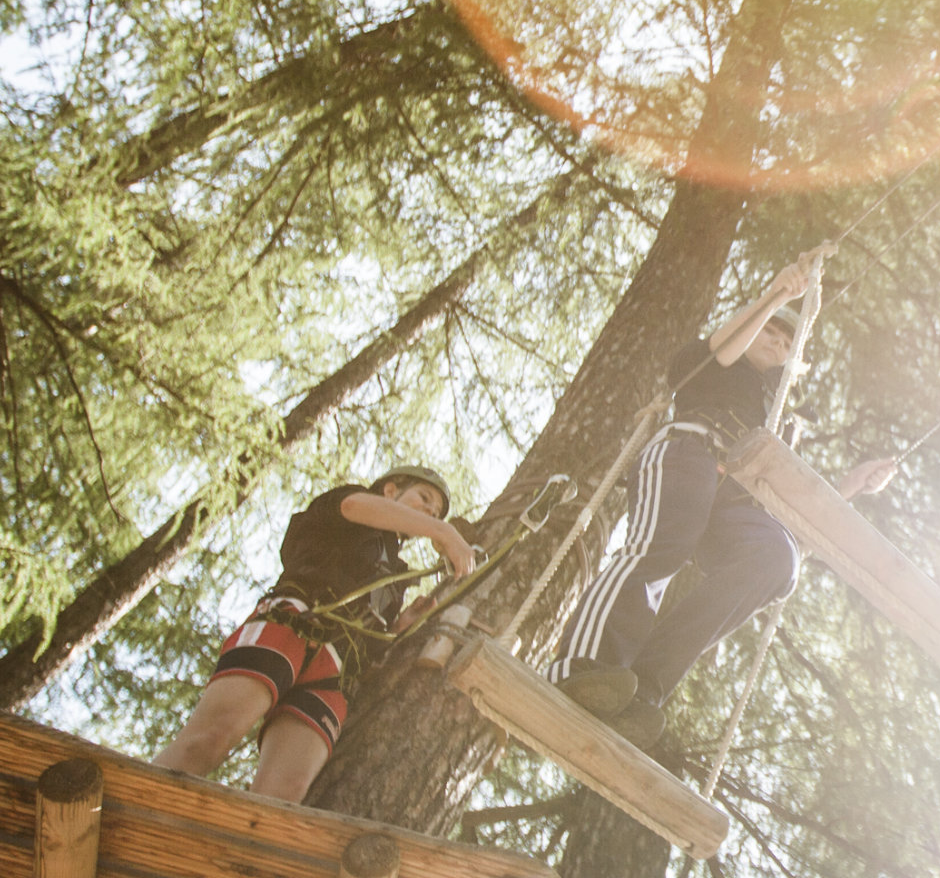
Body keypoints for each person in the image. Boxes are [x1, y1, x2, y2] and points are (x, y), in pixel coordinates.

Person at [549, 255, 895, 749]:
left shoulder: (773, 414)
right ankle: (582, 665)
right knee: (661, 550)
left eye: (785, 342)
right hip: (688, 453)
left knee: (776, 558)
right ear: (751, 325)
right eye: (769, 331)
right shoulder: (710, 362)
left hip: (737, 493)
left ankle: (643, 687)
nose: (775, 342)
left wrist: (853, 486)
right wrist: (776, 294)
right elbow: (727, 346)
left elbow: (787, 498)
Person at [156, 467, 473, 802]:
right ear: (391, 490)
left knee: (283, 794)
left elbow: (371, 644)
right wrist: (443, 531)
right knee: (208, 739)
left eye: (435, 512)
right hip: (290, 624)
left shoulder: (395, 578)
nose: (429, 512)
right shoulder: (349, 501)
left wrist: (402, 624)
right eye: (424, 499)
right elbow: (355, 508)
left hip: (335, 670)